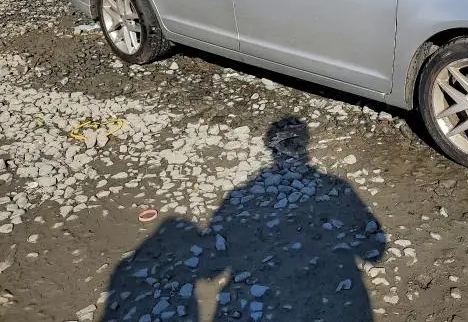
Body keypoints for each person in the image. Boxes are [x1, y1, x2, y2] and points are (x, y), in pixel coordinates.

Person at [100, 117, 385, 322]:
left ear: (272, 149)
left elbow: (212, 265)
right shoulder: (336, 188)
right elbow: (376, 248)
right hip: (339, 303)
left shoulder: (239, 197)